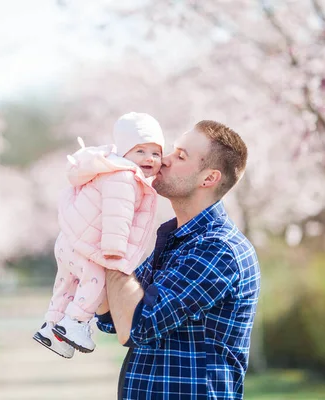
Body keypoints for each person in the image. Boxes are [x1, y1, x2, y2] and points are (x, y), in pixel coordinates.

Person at [95, 120, 261, 399]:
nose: (163, 160)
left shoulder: (217, 249)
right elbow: (112, 316)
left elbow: (136, 326)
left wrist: (114, 245)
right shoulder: (175, 239)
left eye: (180, 156)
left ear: (208, 179)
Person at [33, 112, 165, 358]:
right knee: (97, 282)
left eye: (156, 153)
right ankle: (75, 323)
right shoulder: (125, 177)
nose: (149, 158)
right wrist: (115, 251)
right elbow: (117, 214)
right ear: (124, 153)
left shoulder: (111, 171)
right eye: (140, 151)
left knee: (67, 285)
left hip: (70, 242)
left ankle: (51, 327)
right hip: (87, 247)